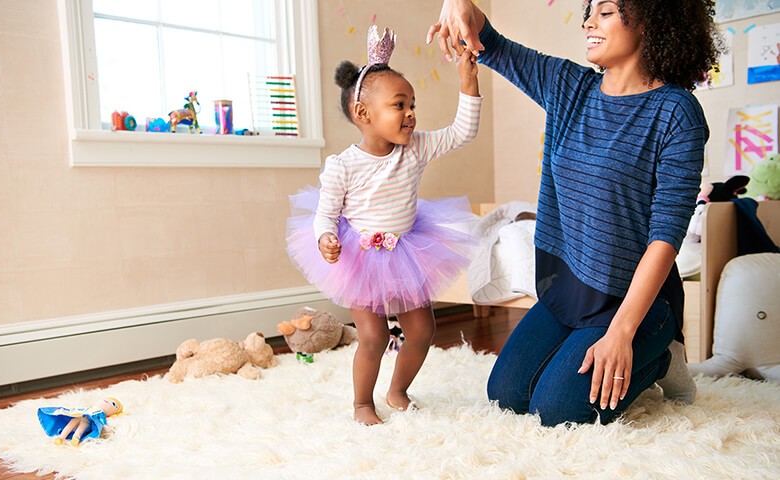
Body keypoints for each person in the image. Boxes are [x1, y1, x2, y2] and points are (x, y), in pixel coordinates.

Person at [427, 0, 723, 426]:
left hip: (634, 301)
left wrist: (621, 333)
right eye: (589, 11)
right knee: (506, 394)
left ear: (651, 20)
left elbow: (666, 235)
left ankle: (660, 356)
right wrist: (458, 4)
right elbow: (488, 39)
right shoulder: (569, 87)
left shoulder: (677, 113)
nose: (588, 22)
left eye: (605, 11)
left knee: (557, 409)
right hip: (569, 288)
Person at [286, 25, 482, 425]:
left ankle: (398, 389)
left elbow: (463, 132)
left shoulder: (417, 147)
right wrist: (325, 237)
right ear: (364, 114)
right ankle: (362, 403)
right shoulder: (343, 165)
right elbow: (326, 214)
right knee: (373, 337)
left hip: (409, 250)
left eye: (412, 104)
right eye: (399, 105)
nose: (410, 113)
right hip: (362, 257)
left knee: (423, 330)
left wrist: (468, 80)